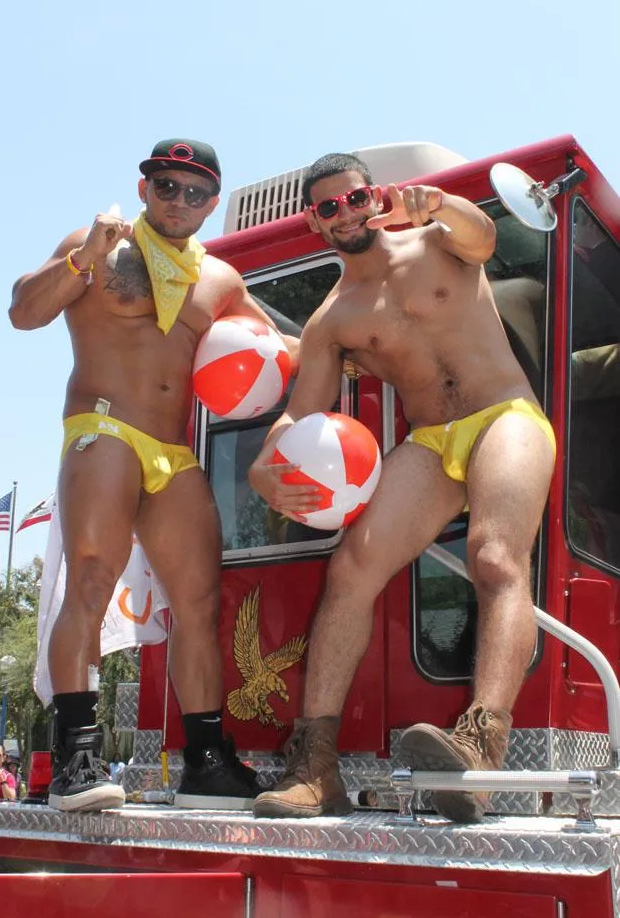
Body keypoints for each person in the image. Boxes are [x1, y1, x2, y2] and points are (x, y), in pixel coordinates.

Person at [248, 152, 556, 823]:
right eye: (329, 208)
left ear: (375, 195)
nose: (346, 214)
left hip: (504, 415)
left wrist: (440, 203)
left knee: (495, 557)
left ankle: (480, 750)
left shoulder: (437, 240)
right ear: (314, 222)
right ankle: (314, 767)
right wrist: (262, 465)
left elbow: (484, 236)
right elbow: (301, 411)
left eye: (355, 198)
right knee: (351, 569)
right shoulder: (333, 318)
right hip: (430, 441)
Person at [9, 138, 298, 812]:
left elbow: (279, 349)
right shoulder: (97, 245)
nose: (179, 201)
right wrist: (82, 258)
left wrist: (349, 347)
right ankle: (78, 756)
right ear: (144, 190)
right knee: (89, 579)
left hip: (174, 450)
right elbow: (23, 312)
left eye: (195, 192)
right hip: (105, 425)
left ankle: (206, 763)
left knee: (199, 604)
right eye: (166, 186)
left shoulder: (220, 280)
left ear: (212, 203)